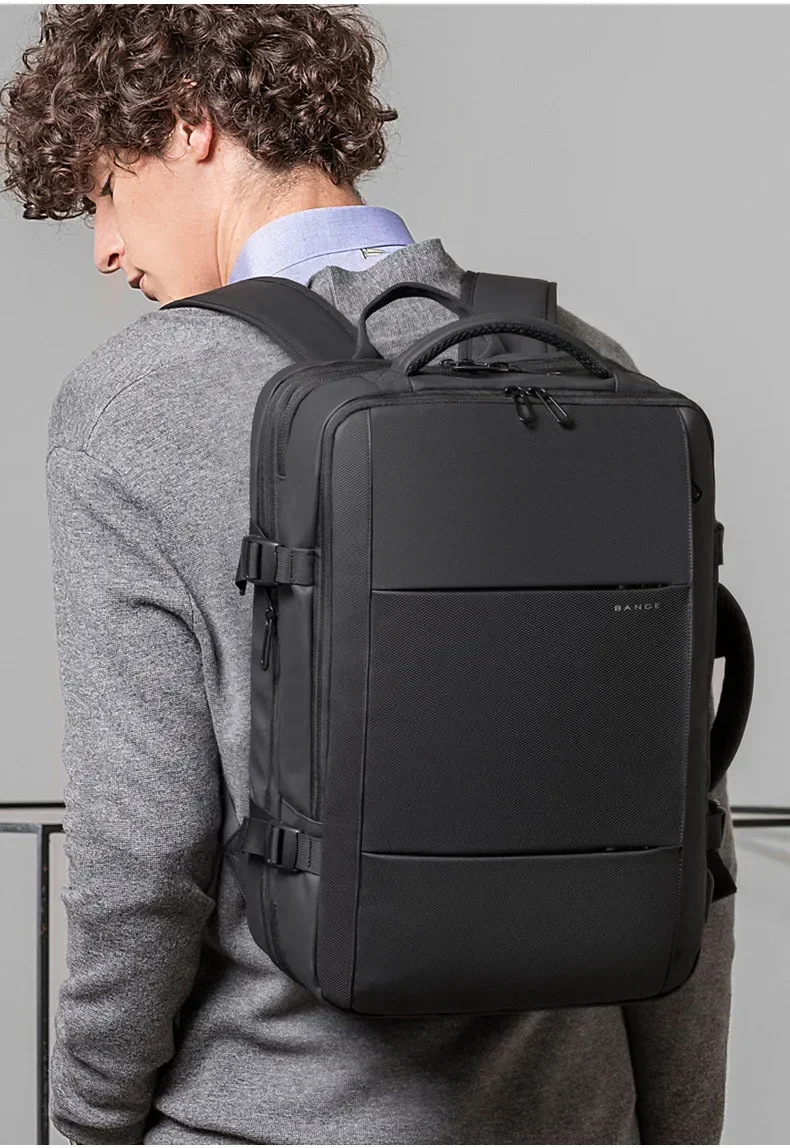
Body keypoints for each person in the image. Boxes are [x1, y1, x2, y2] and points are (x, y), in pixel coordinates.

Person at [1, 5, 736, 1145]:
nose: (103, 247)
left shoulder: (136, 404)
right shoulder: (585, 364)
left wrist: (89, 1120)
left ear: (190, 123)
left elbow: (141, 853)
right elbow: (686, 818)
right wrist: (677, 1125)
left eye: (104, 189)